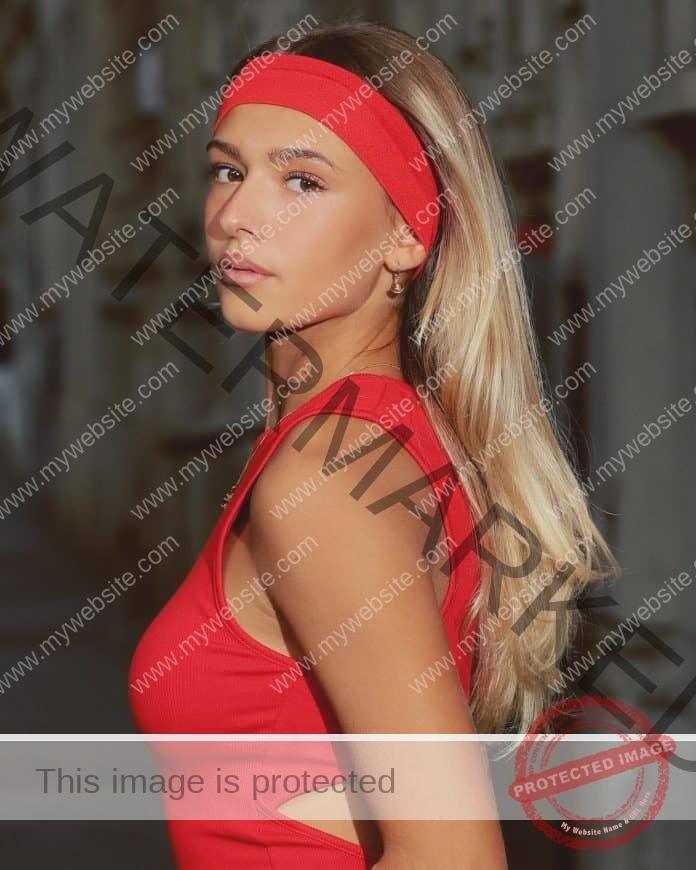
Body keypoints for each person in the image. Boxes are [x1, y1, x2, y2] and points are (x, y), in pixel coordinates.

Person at [129, 19, 619, 869]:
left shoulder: (330, 471)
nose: (236, 216)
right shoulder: (381, 436)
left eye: (303, 181)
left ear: (406, 236)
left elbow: (453, 857)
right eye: (228, 170)